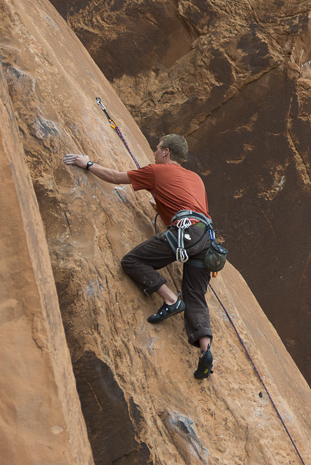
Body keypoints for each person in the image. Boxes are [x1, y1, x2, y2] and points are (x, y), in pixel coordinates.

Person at [64, 134, 216, 379]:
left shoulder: (156, 171)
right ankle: (205, 351)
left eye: (157, 149)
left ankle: (169, 299)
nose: (154, 152)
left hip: (185, 232)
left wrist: (87, 164)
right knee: (196, 296)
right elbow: (192, 205)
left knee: (132, 261)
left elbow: (115, 177)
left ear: (166, 152)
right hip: (206, 239)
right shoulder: (196, 178)